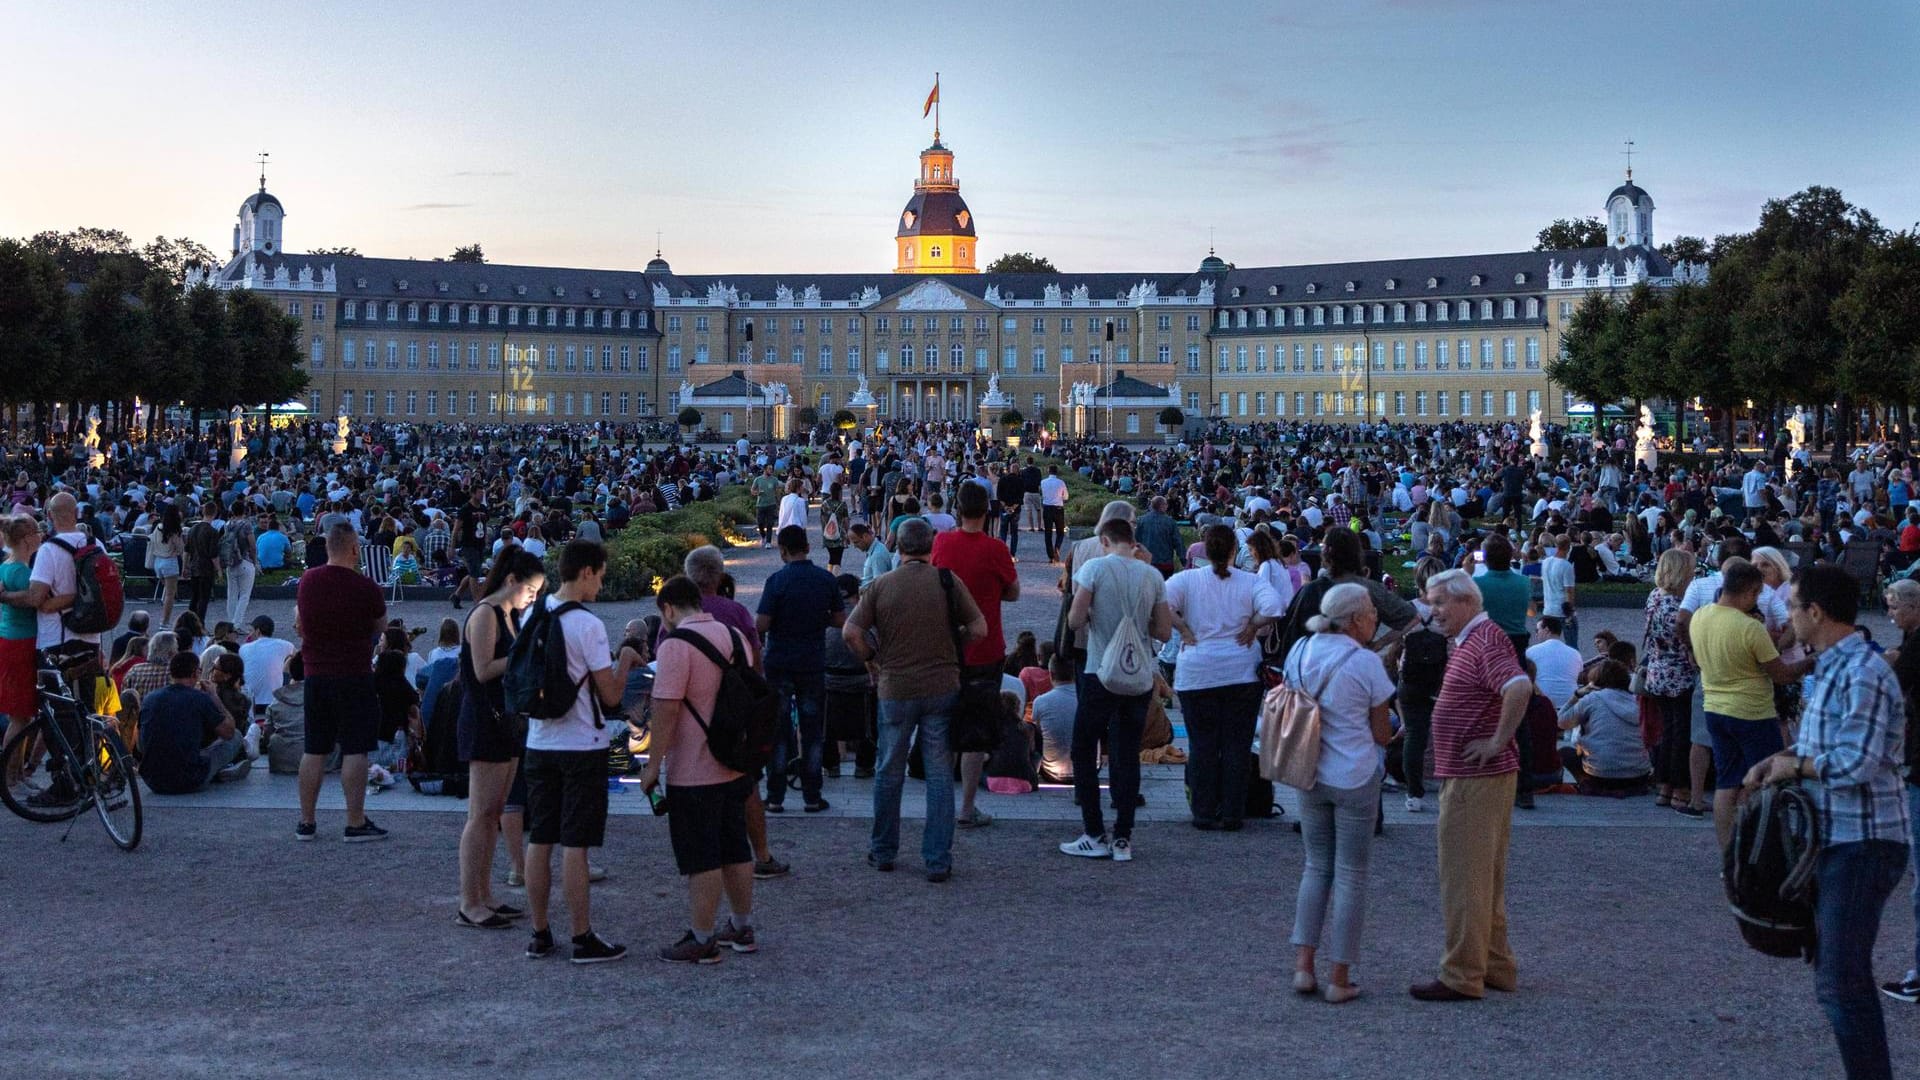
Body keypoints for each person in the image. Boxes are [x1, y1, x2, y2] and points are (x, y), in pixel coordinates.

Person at [1746, 564, 1909, 1079]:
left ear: (1815, 613)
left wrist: (1793, 764)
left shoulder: (1863, 672)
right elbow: (1826, 746)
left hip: (1863, 841)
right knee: (1838, 975)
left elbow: (1857, 763)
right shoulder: (1831, 667)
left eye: (1793, 606)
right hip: (1836, 838)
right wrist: (1783, 758)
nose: (1787, 615)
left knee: (1841, 979)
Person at [1411, 569, 1533, 1002]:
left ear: (1466, 602)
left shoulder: (1483, 640)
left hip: (1475, 778)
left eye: (1440, 602)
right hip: (1481, 777)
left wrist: (1498, 740)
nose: (1433, 611)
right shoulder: (1479, 639)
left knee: (1464, 878)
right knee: (1485, 877)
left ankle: (1461, 973)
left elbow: (1519, 686)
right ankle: (1495, 965)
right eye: (1430, 602)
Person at [521, 540, 644, 963]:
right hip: (581, 743)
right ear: (587, 572)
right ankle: (582, 936)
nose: (602, 582)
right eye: (602, 574)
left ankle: (539, 932)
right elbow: (609, 695)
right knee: (576, 843)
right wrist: (626, 660)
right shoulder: (587, 625)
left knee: (541, 838)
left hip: (539, 740)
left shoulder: (531, 613)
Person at [844, 518, 984, 882]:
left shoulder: (881, 585)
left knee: (889, 769)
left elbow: (851, 631)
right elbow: (980, 629)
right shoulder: (948, 582)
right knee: (939, 775)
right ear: (931, 545)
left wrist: (873, 660)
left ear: (899, 547)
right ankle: (937, 859)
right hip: (941, 684)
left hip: (895, 685)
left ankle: (884, 850)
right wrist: (952, 646)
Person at [1282, 583, 1396, 1004]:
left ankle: (1303, 967)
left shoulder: (1300, 651)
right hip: (1354, 774)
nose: (1374, 619)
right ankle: (1339, 976)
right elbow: (1382, 733)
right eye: (1369, 612)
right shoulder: (1365, 662)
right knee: (1351, 874)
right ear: (1353, 620)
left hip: (1308, 769)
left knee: (1315, 868)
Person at [642, 575, 759, 963]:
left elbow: (667, 708)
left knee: (702, 856)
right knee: (735, 847)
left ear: (669, 609)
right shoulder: (735, 637)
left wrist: (652, 765)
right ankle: (741, 927)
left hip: (694, 768)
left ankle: (703, 937)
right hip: (735, 762)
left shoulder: (676, 645)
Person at [1060, 517, 1172, 862]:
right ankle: (1123, 836)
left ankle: (1094, 831)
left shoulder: (1094, 568)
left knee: (1083, 748)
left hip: (1100, 669)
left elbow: (1075, 620)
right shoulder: (1151, 576)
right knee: (1127, 753)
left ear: (1105, 541)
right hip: (1138, 673)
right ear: (1133, 541)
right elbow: (1165, 632)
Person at [1165, 524, 1282, 830]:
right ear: (1234, 550)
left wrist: (1184, 628)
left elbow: (1159, 604)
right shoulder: (1250, 581)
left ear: (1204, 547)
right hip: (1241, 669)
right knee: (1237, 745)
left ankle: (1203, 809)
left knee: (1202, 744)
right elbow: (1275, 607)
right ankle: (1233, 810)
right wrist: (1252, 626)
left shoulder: (1187, 580)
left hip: (1197, 670)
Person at [1690, 557, 1809, 846]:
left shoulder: (1700, 616)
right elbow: (1781, 675)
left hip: (1715, 709)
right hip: (1753, 712)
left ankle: (1729, 852)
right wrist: (1812, 662)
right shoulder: (1750, 628)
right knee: (1767, 779)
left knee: (1727, 782)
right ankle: (1762, 847)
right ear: (1750, 591)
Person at [455, 549, 545, 930]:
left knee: (492, 813)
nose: (533, 598)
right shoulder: (486, 614)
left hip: (502, 721)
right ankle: (469, 900)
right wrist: (525, 656)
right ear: (512, 581)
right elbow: (482, 669)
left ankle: (484, 893)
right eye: (531, 590)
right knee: (481, 814)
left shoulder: (505, 615)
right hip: (485, 720)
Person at [293, 522, 390, 843]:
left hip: (316, 674)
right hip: (354, 674)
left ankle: (306, 821)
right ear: (353, 549)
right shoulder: (366, 587)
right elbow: (381, 626)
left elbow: (299, 624)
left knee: (314, 748)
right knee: (355, 749)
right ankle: (355, 821)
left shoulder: (307, 582)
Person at [931, 481, 1019, 830]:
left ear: (957, 508)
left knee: (943, 729)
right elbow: (1012, 593)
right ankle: (967, 808)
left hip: (946, 648)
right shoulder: (996, 549)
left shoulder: (942, 542)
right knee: (975, 733)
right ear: (987, 510)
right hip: (985, 650)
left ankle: (940, 808)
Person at [756, 524, 844, 814]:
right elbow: (840, 619)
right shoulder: (825, 580)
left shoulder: (776, 581)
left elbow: (762, 625)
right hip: (812, 661)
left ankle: (776, 795)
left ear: (782, 551)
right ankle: (812, 795)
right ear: (807, 547)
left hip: (780, 661)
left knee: (778, 731)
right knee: (812, 731)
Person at [1642, 549, 1703, 814]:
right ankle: (1680, 790)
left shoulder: (1655, 596)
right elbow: (1687, 639)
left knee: (1668, 731)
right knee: (1682, 734)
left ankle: (1664, 786)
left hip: (1657, 672)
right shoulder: (1680, 605)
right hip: (1680, 674)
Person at [138, 651, 248, 794]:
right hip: (190, 779)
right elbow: (229, 732)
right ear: (195, 673)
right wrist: (214, 697)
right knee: (236, 736)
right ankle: (224, 769)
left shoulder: (150, 699)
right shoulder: (200, 698)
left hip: (153, 780)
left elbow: (141, 745)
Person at [1556, 660, 1652, 794]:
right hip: (1638, 775)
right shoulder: (1636, 700)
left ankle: (1586, 783)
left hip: (1601, 775)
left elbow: (1561, 722)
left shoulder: (1592, 699)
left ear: (1594, 681)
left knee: (1565, 752)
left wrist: (1577, 695)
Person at [0, 515, 42, 752]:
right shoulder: (22, 573)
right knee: (20, 716)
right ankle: (11, 776)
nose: (40, 535)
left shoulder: (5, 566)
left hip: (9, 638)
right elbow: (37, 599)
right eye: (37, 532)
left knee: (21, 715)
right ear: (27, 539)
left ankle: (14, 774)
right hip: (22, 642)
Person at [238, 616, 297, 719]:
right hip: (274, 701)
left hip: (252, 704)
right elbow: (297, 657)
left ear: (258, 631)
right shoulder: (285, 645)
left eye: (251, 631)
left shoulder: (244, 648)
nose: (250, 634)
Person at [1031, 654, 1078, 782]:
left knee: (1034, 728)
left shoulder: (1041, 701)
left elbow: (1038, 732)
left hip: (1051, 773)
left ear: (1050, 674)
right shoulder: (1087, 700)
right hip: (1088, 771)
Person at [1525, 616, 1582, 713]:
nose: (1536, 634)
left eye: (1537, 630)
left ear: (1546, 630)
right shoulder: (1575, 653)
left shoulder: (1531, 652)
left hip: (1543, 707)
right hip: (1571, 706)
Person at [185, 501, 220, 622]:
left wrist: (185, 567)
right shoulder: (212, 531)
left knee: (194, 598)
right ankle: (200, 624)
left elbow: (187, 550)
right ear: (215, 513)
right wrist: (219, 570)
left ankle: (189, 623)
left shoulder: (192, 529)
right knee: (203, 599)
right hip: (206, 568)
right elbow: (213, 555)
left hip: (194, 566)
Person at [221, 513, 258, 626]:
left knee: (231, 594)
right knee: (244, 595)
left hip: (231, 561)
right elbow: (252, 546)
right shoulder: (246, 525)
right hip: (245, 560)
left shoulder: (227, 525)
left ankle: (231, 622)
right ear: (244, 511)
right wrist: (255, 561)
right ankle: (237, 624)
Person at [152, 503, 186, 624]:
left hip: (158, 561)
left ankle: (164, 618)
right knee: (170, 595)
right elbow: (181, 548)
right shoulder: (175, 530)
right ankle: (165, 621)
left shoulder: (158, 527)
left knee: (166, 591)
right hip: (170, 561)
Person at [1540, 533, 1576, 644]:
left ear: (1556, 545)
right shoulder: (1567, 566)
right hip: (1562, 610)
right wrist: (1570, 613)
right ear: (1569, 547)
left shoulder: (1545, 562)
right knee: (1571, 643)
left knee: (1548, 643)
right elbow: (1569, 591)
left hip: (1548, 609)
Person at [1136, 496, 1182, 578]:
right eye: (1166, 504)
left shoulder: (1141, 520)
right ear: (1162, 506)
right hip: (1165, 563)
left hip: (1146, 562)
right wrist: (1184, 561)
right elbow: (1178, 543)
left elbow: (1136, 541)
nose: (1167, 506)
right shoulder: (1170, 522)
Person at [850, 522, 892, 591]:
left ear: (865, 536)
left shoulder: (877, 555)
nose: (855, 546)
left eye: (856, 542)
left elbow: (879, 586)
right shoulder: (875, 549)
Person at [1039, 464, 1069, 564]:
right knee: (1060, 532)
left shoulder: (1043, 482)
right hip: (1058, 508)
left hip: (1047, 508)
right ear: (1057, 472)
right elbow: (1066, 497)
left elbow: (1042, 494)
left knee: (1048, 533)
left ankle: (1051, 555)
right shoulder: (1061, 482)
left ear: (1048, 471)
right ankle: (1057, 548)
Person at [750, 464, 781, 546]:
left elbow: (777, 492)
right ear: (765, 469)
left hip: (771, 504)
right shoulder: (758, 479)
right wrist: (757, 493)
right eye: (769, 469)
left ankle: (768, 542)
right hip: (760, 505)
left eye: (772, 469)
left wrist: (779, 503)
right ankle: (763, 536)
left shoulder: (774, 480)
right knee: (760, 523)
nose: (771, 470)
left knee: (770, 524)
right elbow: (752, 490)